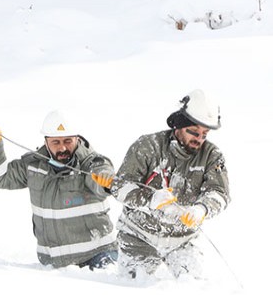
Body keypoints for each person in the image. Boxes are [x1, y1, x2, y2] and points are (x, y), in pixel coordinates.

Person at [91, 89, 230, 279]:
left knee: (193, 288)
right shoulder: (147, 146)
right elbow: (120, 187)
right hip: (138, 235)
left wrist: (202, 210)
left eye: (204, 134)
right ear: (179, 126)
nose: (199, 139)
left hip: (183, 240)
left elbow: (220, 193)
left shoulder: (212, 156)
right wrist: (150, 199)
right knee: (136, 288)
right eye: (194, 132)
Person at [0, 110, 117, 270]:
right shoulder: (33, 165)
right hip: (54, 265)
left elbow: (101, 173)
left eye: (68, 141)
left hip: (98, 257)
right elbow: (0, 177)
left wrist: (105, 180)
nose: (62, 148)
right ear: (46, 142)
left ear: (77, 138)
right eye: (56, 142)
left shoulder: (90, 163)